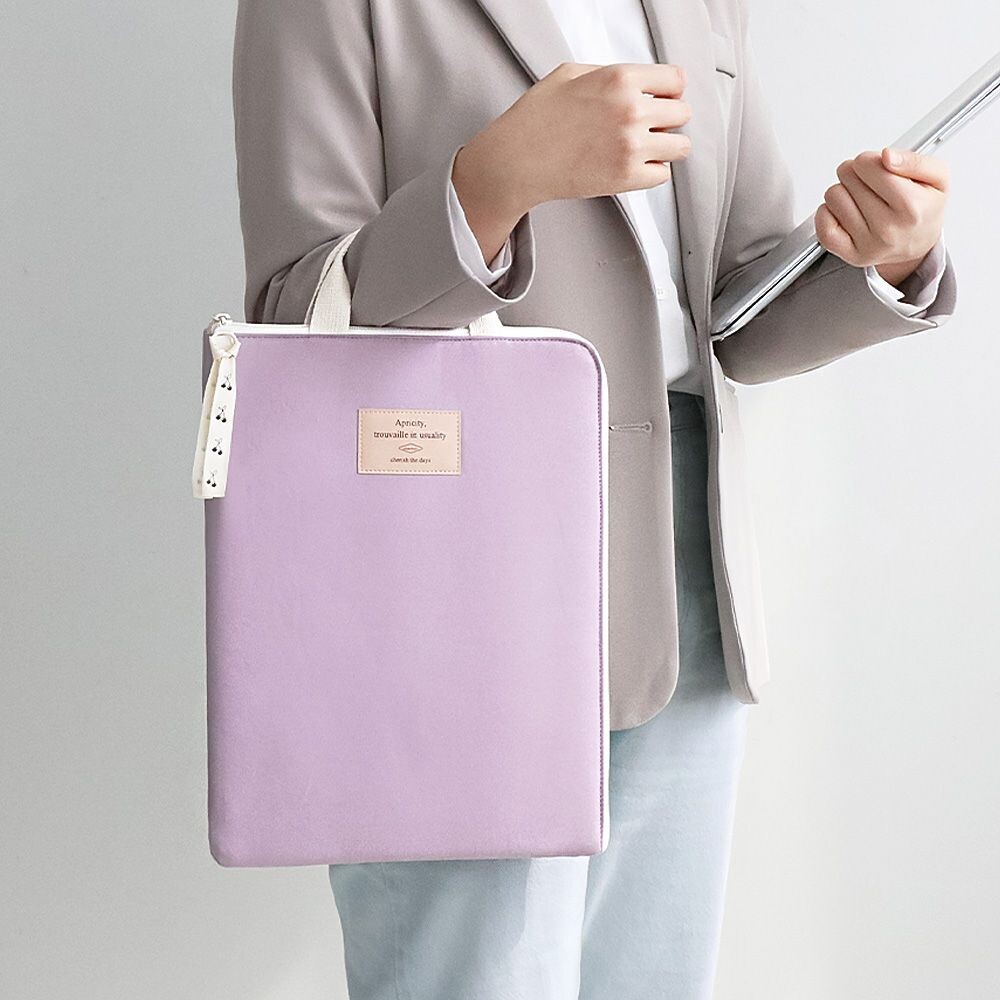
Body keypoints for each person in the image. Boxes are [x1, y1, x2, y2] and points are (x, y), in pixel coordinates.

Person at [231, 1, 957, 996]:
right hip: (456, 561)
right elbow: (292, 312)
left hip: (685, 565)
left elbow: (734, 314)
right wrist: (494, 181)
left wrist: (881, 255)